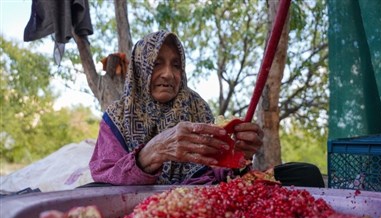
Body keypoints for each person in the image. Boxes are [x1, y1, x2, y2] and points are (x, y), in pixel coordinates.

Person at [89, 30, 263, 186]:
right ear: (140, 68)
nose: (168, 74)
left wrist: (239, 156)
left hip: (194, 208)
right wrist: (150, 153)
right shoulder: (117, 116)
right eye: (156, 63)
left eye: (176, 65)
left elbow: (219, 170)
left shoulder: (197, 108)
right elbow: (103, 175)